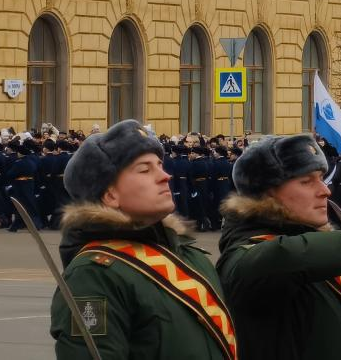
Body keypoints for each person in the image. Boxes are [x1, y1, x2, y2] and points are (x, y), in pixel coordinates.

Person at [50, 118, 236, 359]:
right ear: (110, 195)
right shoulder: (94, 275)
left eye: (160, 164)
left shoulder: (188, 253)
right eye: (145, 169)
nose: (164, 176)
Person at [216, 134, 341, 360]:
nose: (325, 190)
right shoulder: (248, 253)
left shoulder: (325, 252)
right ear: (267, 193)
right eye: (306, 181)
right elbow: (275, 259)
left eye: (321, 178)